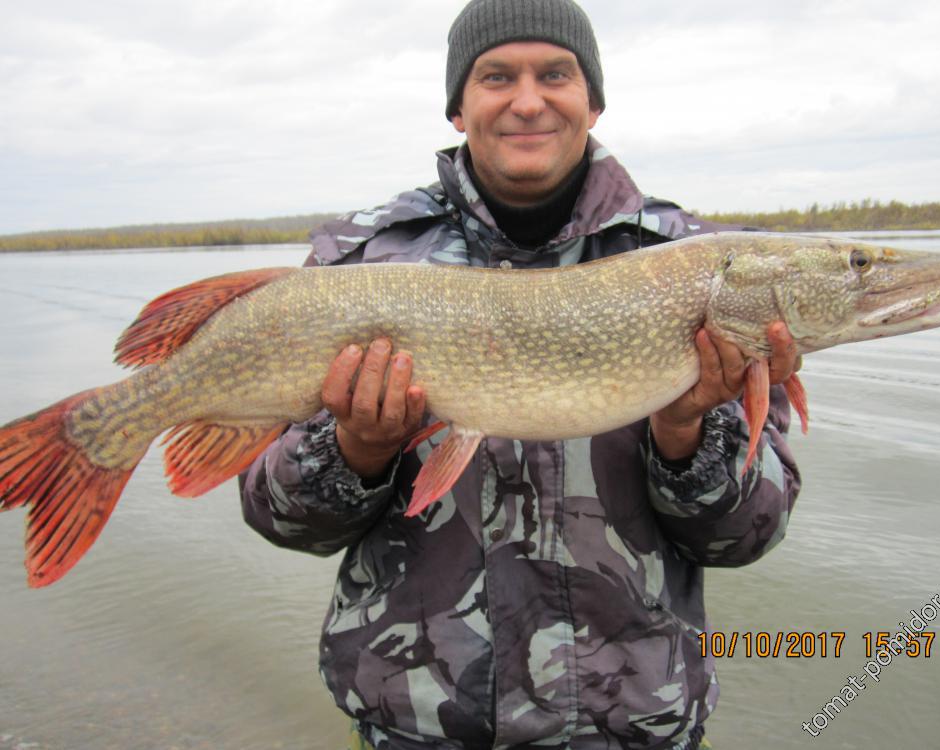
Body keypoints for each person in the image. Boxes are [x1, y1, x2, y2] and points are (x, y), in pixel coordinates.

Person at [241, 0, 801, 747]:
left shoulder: (702, 267)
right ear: (458, 107)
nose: (528, 99)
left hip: (632, 724)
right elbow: (278, 518)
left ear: (592, 99)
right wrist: (359, 452)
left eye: (556, 74)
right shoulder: (361, 262)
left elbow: (743, 537)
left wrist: (683, 430)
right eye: (497, 75)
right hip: (418, 725)